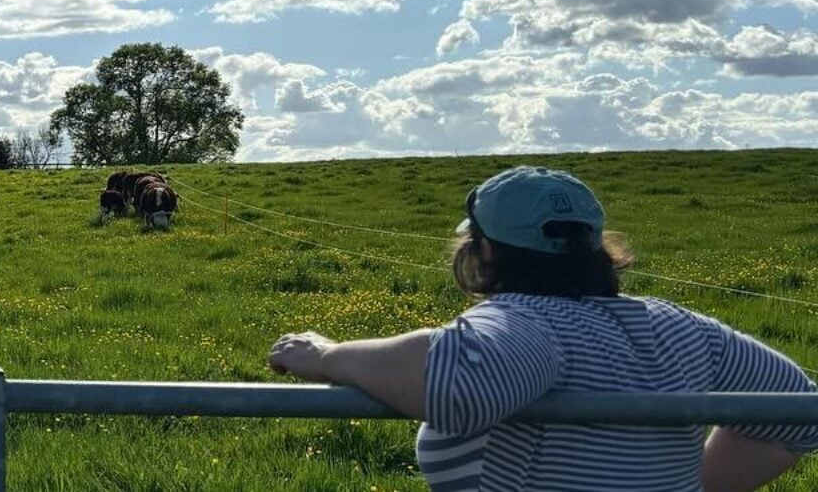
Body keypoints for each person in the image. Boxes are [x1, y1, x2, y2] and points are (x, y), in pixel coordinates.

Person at [267, 166, 816, 491]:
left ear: (483, 252)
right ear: (596, 247)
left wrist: (326, 354)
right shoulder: (681, 327)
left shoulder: (527, 321)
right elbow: (796, 411)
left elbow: (463, 385)